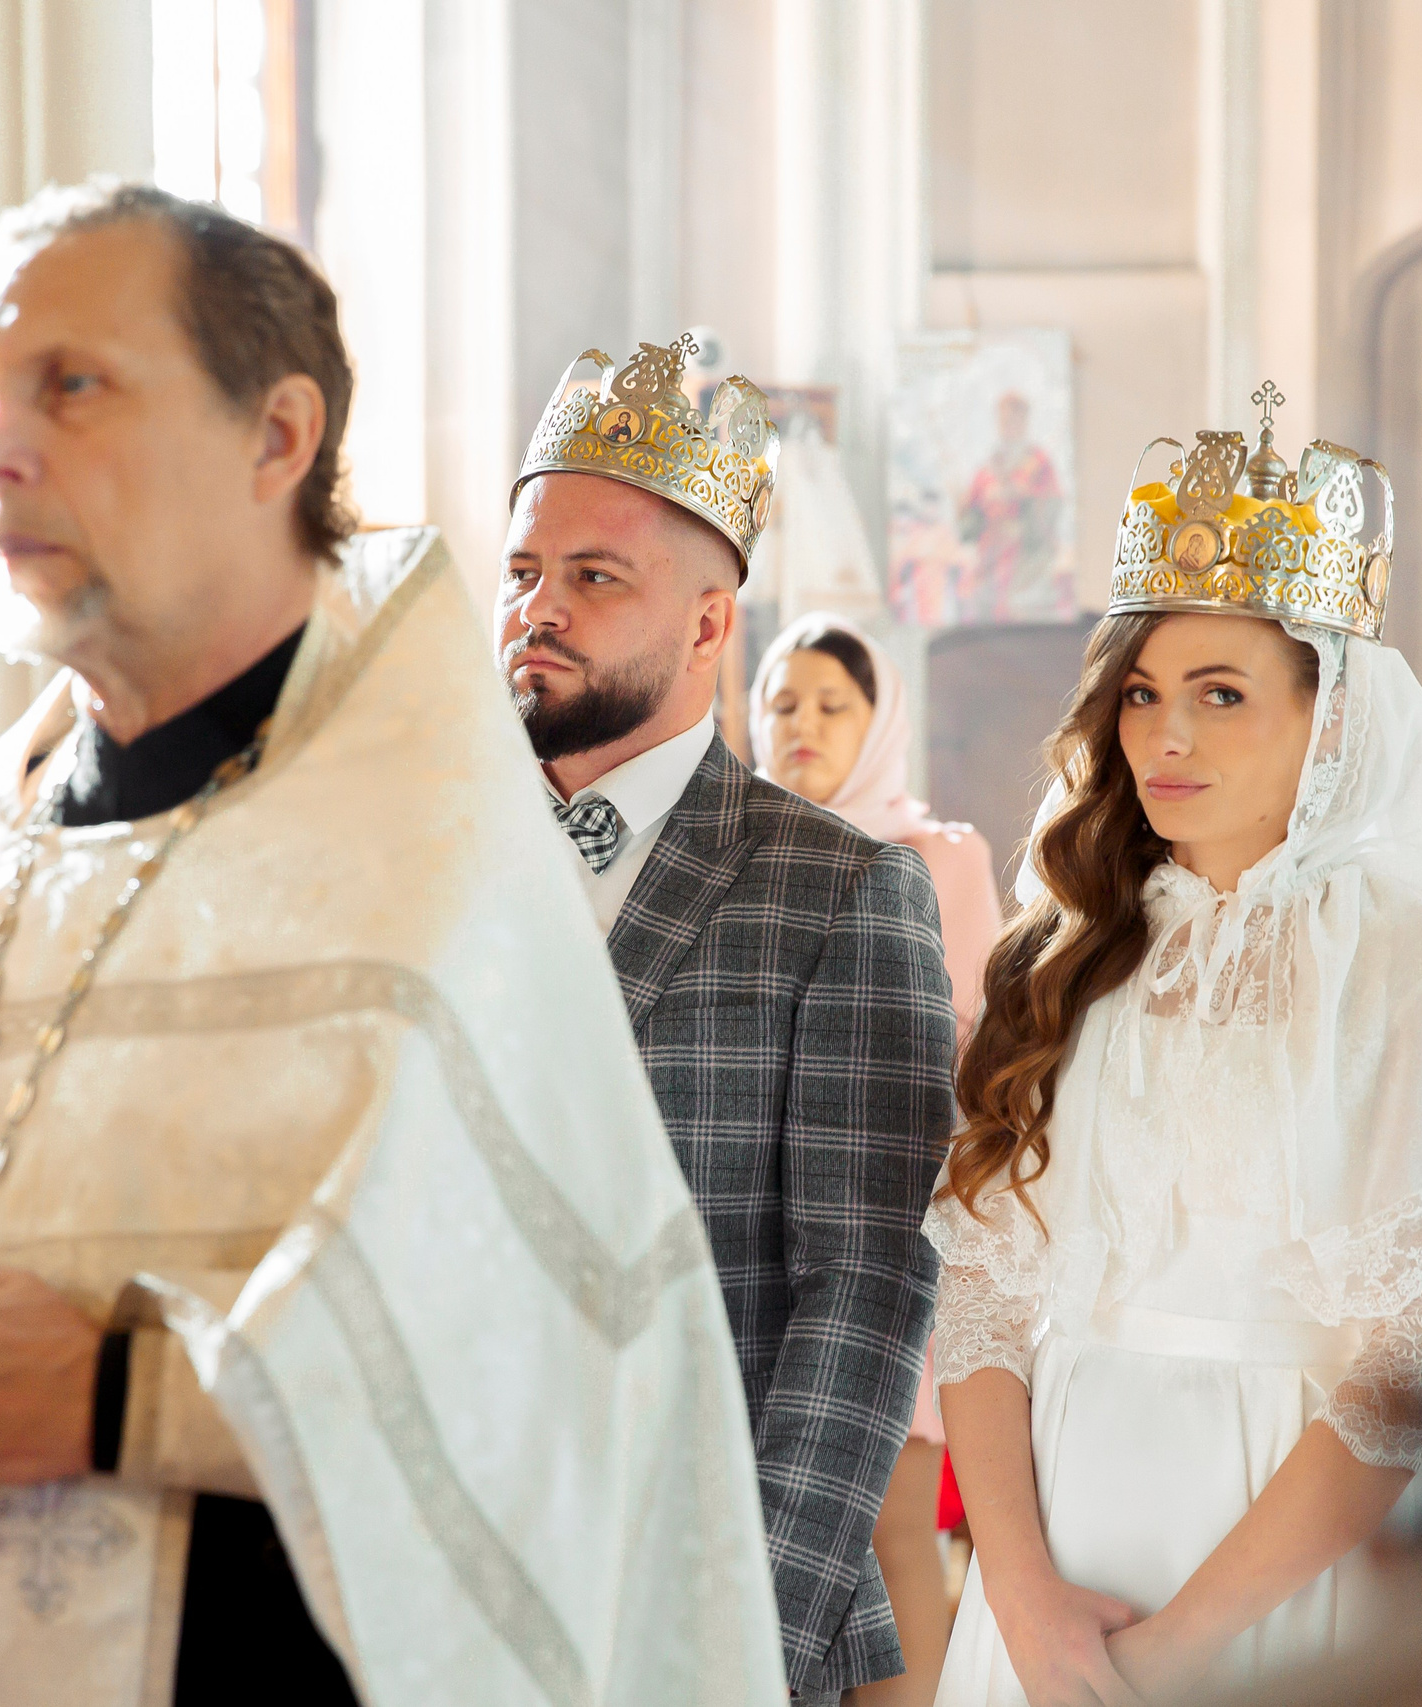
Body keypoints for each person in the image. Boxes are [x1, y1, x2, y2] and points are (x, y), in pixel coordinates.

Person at [0, 183, 783, 1706]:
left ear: (276, 436)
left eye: (74, 384)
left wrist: (117, 1394)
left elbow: (564, 1392)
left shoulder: (430, 858)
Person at [925, 421, 1422, 1703]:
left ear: (1328, 716)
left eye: (1221, 694)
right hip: (1053, 1532)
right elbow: (982, 1294)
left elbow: (1412, 1363)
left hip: (1278, 1540)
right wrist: (1021, 1596)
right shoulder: (1072, 943)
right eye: (1141, 693)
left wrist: (1177, 1650)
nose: (1165, 737)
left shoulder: (1403, 955)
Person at [499, 338, 961, 1705]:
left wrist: (737, 1634)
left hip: (702, 1594)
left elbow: (862, 1296)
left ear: (709, 627)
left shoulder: (841, 889)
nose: (539, 608)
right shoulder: (429, 863)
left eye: (594, 577)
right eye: (522, 571)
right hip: (445, 1586)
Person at [750, 610, 1003, 1707]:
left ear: (881, 720)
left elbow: (974, 1049)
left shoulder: (938, 858)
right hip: (746, 1236)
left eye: (831, 705)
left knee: (890, 1541)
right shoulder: (735, 852)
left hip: (885, 1224)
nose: (802, 725)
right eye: (782, 703)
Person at [956, 392, 1067, 624]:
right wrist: (965, 507)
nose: (1008, 426)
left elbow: (1052, 504)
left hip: (1024, 555)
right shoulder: (989, 465)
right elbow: (971, 512)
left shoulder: (1038, 462)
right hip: (990, 556)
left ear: (1024, 422)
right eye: (1004, 420)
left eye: (1014, 420)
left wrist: (1025, 496)